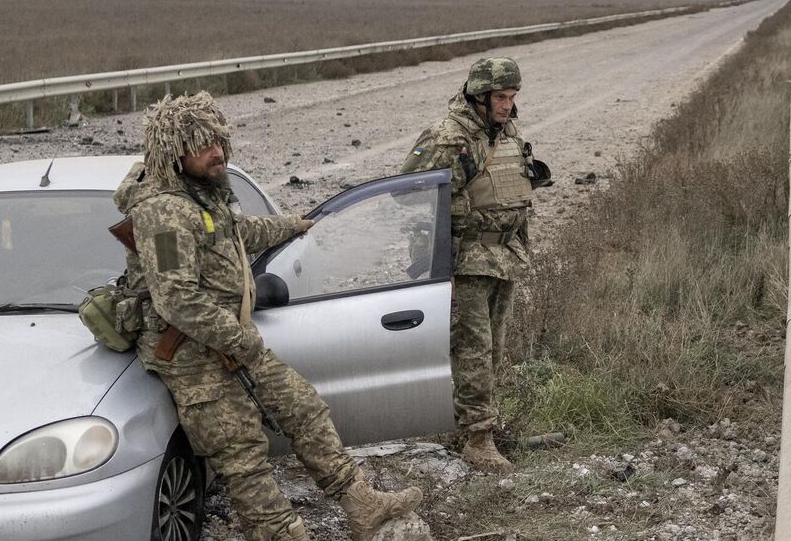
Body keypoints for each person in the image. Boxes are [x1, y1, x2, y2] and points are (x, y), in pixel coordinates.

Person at [118, 92, 424, 541]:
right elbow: (176, 300)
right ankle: (281, 533)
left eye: (219, 140)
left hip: (229, 343)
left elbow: (237, 232)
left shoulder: (201, 196)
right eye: (203, 145)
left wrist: (295, 225)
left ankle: (362, 506)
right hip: (192, 356)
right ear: (174, 152)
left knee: (303, 408)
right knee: (242, 453)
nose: (217, 152)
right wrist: (240, 341)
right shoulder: (163, 213)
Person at [401, 57, 548, 474]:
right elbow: (410, 194)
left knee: (494, 351)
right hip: (466, 261)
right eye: (500, 97)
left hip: (503, 257)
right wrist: (438, 264)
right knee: (473, 352)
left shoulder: (504, 130)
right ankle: (478, 440)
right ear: (479, 97)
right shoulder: (448, 138)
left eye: (512, 96)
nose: (508, 105)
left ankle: (472, 427)